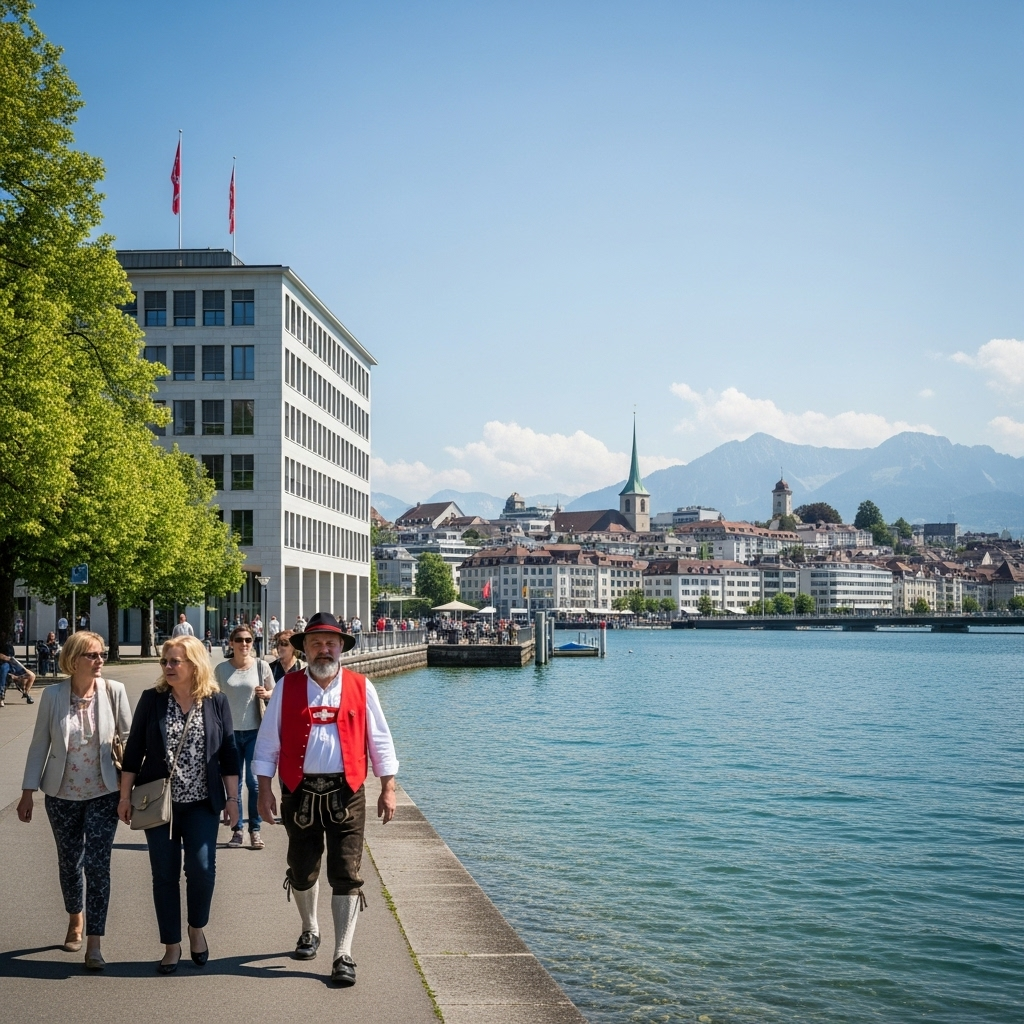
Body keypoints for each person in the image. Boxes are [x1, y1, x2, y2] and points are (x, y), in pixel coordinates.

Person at [254, 611, 398, 987]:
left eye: (330, 643)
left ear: (340, 648)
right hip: (298, 791)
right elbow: (269, 740)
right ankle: (310, 927)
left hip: (347, 791)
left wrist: (388, 786)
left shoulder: (361, 686)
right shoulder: (286, 687)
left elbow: (379, 740)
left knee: (347, 873)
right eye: (316, 643)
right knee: (301, 869)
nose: (323, 649)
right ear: (305, 648)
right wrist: (264, 787)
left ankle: (343, 953)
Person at [119, 635, 239, 973]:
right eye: (165, 661)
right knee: (164, 875)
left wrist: (232, 800)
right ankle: (171, 944)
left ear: (195, 664)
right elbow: (133, 752)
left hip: (202, 803)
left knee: (201, 869)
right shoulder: (152, 699)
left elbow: (229, 755)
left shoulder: (216, 701)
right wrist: (125, 796)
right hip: (159, 803)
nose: (169, 667)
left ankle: (196, 928)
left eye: (176, 661)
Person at [17, 632, 132, 971]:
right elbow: (40, 744)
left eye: (102, 654)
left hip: (104, 793)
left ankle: (94, 943)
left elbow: (129, 739)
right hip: (61, 795)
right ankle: (75, 919)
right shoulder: (53, 695)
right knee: (70, 863)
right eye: (93, 655)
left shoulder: (114, 692)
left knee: (98, 866)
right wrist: (27, 791)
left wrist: (128, 792)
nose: (100, 661)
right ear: (75, 658)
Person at [215, 625, 274, 850]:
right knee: (235, 785)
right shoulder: (221, 669)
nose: (245, 644)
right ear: (231, 643)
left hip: (255, 732)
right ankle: (238, 830)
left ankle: (255, 829)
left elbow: (275, 692)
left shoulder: (261, 666)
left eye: (249, 639)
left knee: (254, 783)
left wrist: (266, 694)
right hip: (229, 734)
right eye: (239, 640)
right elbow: (211, 696)